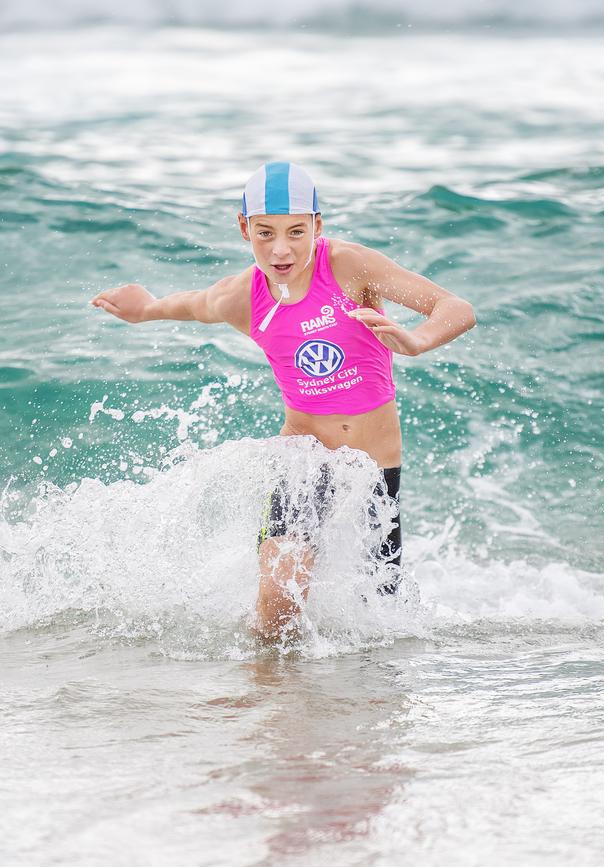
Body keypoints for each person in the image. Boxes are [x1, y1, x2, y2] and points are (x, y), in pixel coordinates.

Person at [91, 161, 476, 639]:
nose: (280, 248)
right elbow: (189, 304)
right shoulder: (242, 297)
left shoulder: (351, 267)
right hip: (303, 458)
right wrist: (146, 308)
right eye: (264, 232)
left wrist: (417, 341)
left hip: (373, 471)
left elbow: (456, 308)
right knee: (279, 599)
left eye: (296, 231)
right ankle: (273, 701)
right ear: (243, 228)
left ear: (317, 225)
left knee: (380, 622)